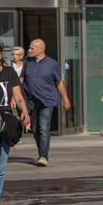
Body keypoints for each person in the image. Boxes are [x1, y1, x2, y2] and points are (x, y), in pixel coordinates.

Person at [22, 39, 71, 167]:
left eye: (32, 48)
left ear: (41, 49)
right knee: (35, 129)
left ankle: (43, 156)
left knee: (43, 127)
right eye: (30, 48)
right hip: (31, 101)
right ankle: (41, 153)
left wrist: (65, 99)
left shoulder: (52, 64)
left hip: (47, 101)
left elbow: (59, 83)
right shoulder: (27, 61)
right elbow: (21, 79)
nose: (29, 50)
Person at [0, 48, 31, 205]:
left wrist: (24, 111)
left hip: (4, 124)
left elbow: (18, 96)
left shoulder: (10, 73)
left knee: (0, 167)